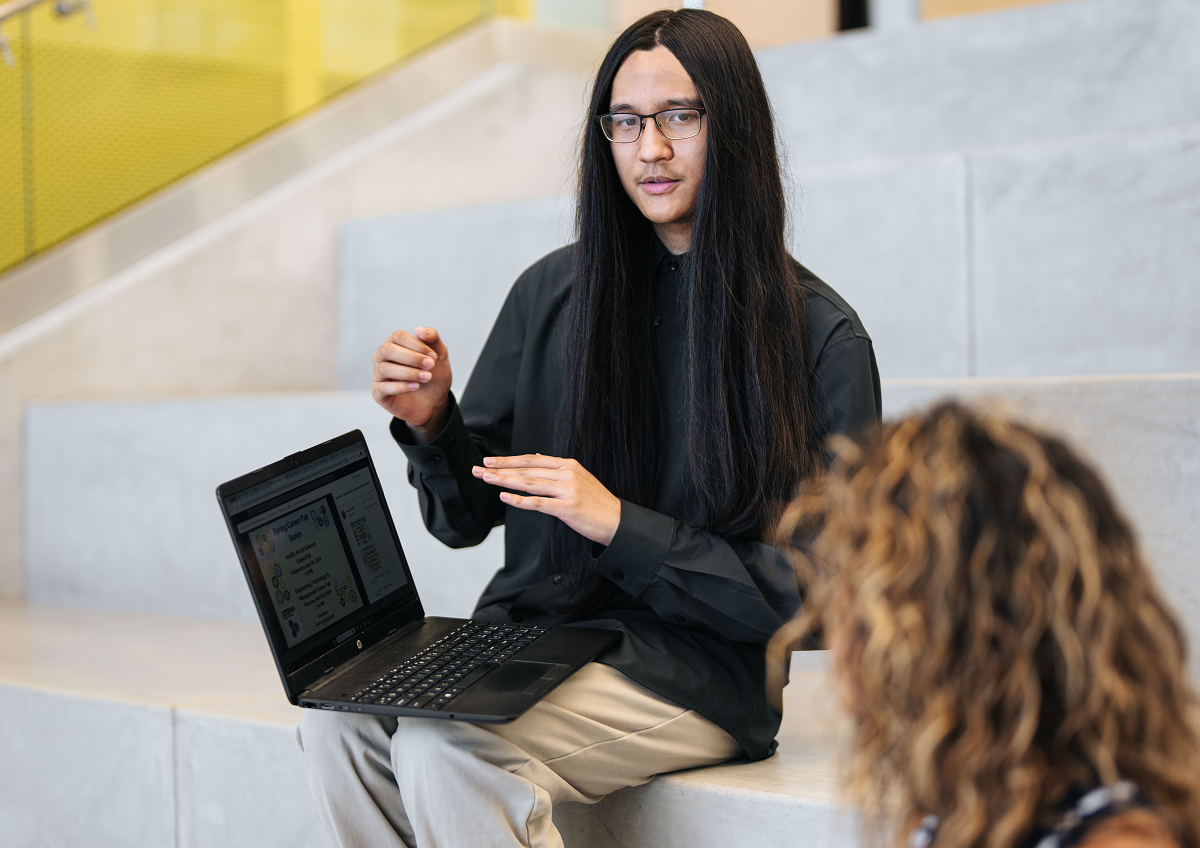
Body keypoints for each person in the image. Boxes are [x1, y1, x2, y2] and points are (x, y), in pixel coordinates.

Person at [300, 9, 881, 847]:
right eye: (626, 121)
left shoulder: (818, 336)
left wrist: (617, 524)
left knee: (446, 746)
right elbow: (462, 520)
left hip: (692, 672)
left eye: (681, 116)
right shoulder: (550, 294)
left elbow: (828, 596)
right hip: (532, 639)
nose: (651, 148)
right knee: (336, 723)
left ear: (735, 124)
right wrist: (434, 426)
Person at [772, 402, 1200, 848]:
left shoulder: (1119, 840)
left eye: (854, 597)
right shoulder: (956, 805)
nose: (832, 626)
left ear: (941, 632)